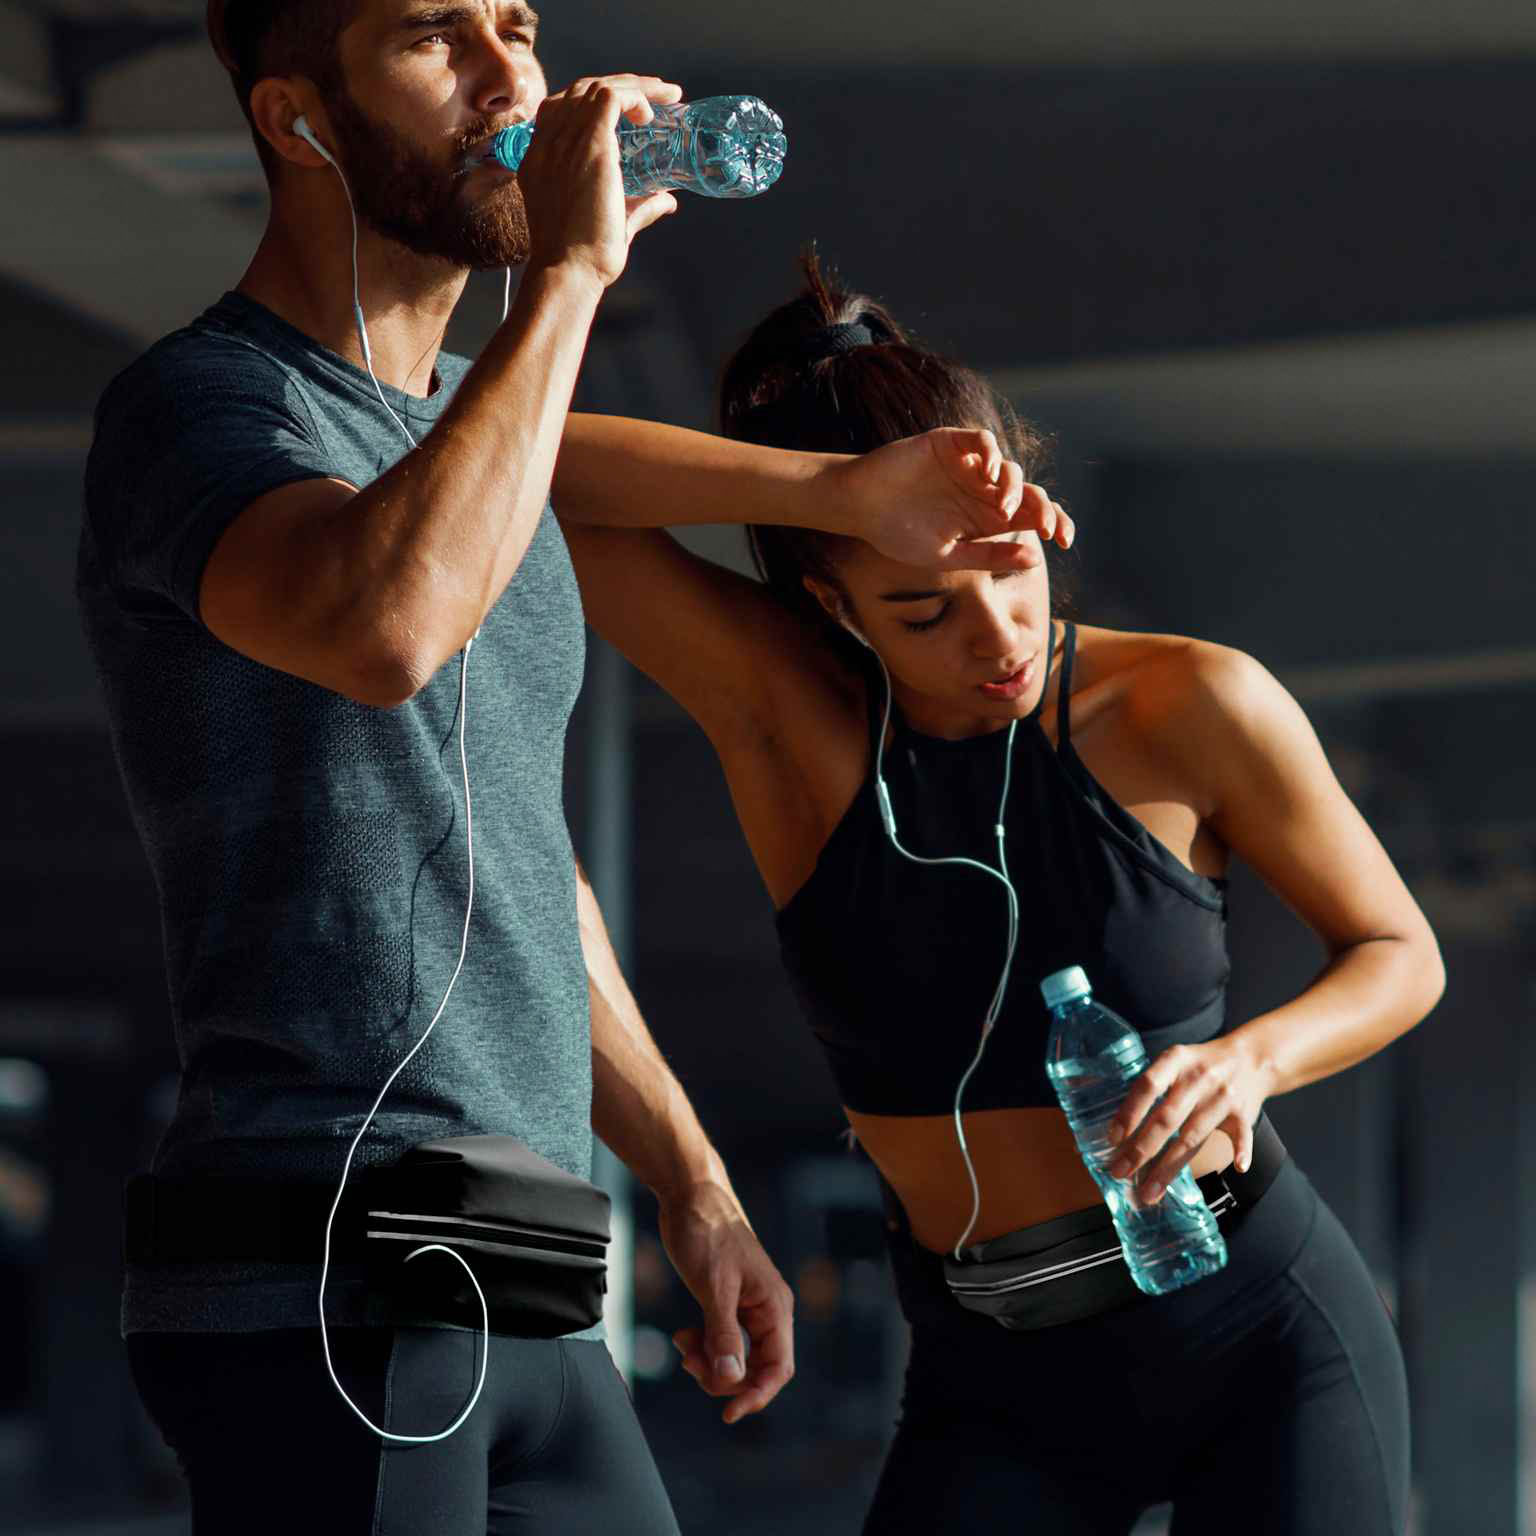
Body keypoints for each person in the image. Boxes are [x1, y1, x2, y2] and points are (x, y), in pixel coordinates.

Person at [76, 4, 1057, 1532]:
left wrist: (692, 1178)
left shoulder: (477, 446)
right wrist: (570, 276)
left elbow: (521, 858)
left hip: (527, 1257)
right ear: (295, 117)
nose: (508, 77)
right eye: (434, 36)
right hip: (330, 1250)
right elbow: (385, 631)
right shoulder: (201, 410)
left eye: (517, 26)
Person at [560, 250, 1447, 1534]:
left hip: (1256, 1331)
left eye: (1014, 569)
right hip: (993, 1378)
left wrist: (1251, 1063)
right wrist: (835, 494)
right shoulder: (784, 716)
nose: (997, 636)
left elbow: (1398, 951)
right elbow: (527, 467)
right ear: (835, 600)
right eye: (923, 611)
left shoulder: (1190, 702)